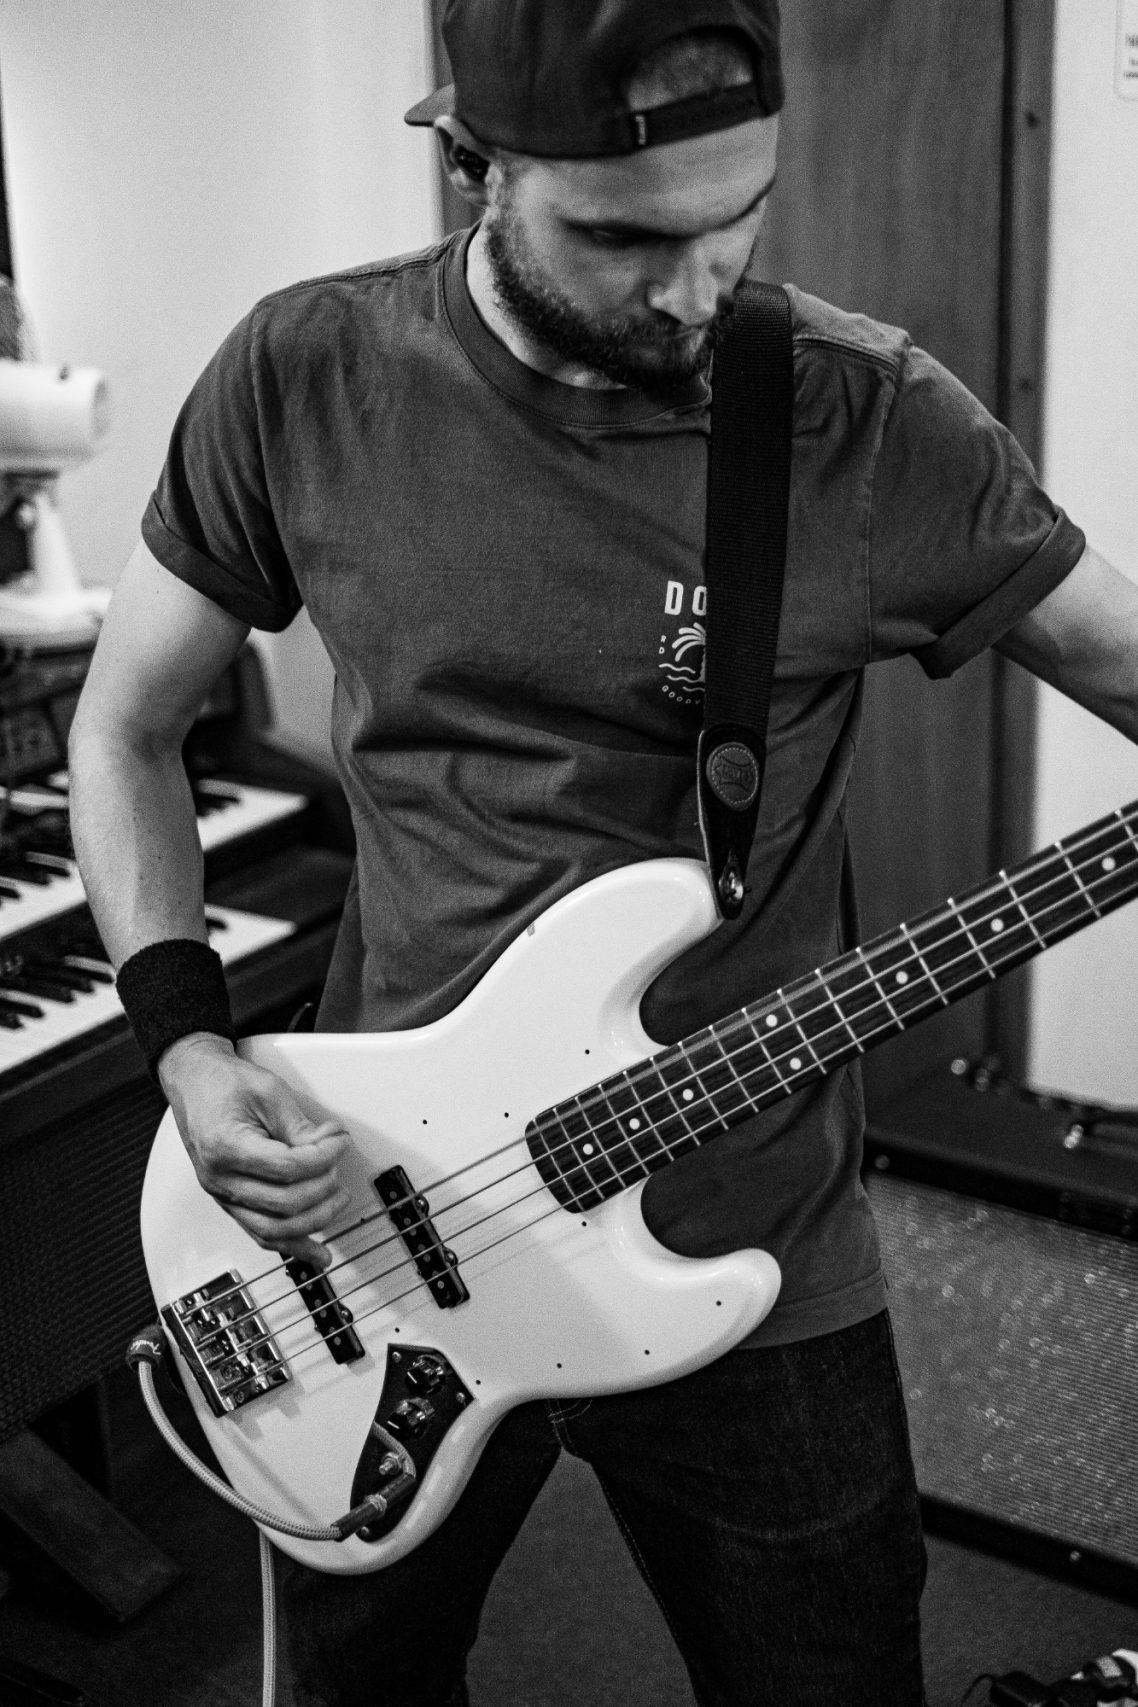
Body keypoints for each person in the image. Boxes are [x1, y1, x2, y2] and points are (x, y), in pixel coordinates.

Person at [67, 2, 1138, 1703]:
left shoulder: (864, 418)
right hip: (370, 1208)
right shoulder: (304, 372)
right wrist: (188, 1042)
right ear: (473, 162)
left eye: (740, 218)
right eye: (627, 239)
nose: (697, 288)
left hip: (751, 1237)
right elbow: (123, 730)